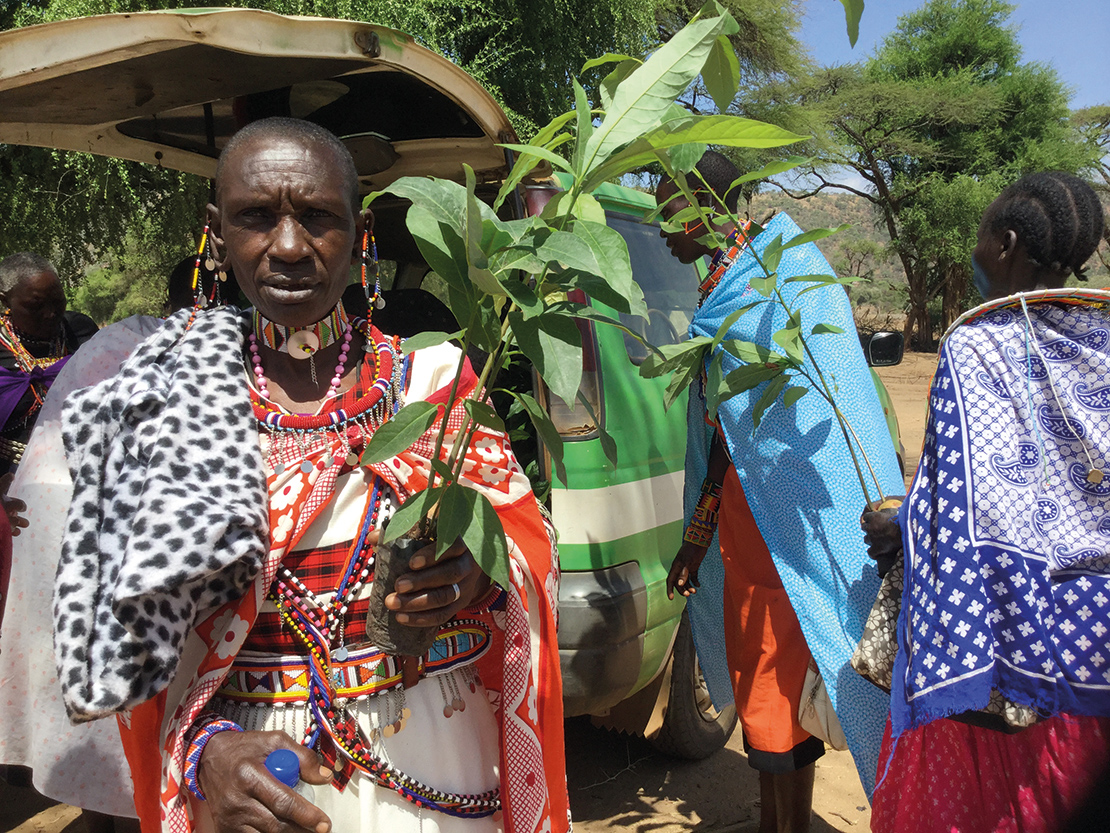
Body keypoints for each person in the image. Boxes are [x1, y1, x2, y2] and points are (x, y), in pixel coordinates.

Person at [52, 117, 566, 833]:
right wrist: (205, 753)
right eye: (256, 217)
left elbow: (530, 551)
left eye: (317, 217)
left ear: (359, 234)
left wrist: (472, 573)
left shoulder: (433, 379)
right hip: (253, 785)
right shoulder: (161, 406)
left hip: (437, 750)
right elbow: (115, 648)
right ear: (217, 232)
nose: (289, 246)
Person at [657, 151, 902, 833]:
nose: (658, 220)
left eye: (670, 201)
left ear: (709, 202)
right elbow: (722, 438)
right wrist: (699, 537)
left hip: (791, 540)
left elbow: (831, 407)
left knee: (778, 694)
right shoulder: (723, 291)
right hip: (745, 543)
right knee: (775, 698)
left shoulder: (784, 279)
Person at [862, 172, 1110, 832]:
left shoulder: (979, 345)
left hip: (993, 683)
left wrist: (899, 526)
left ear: (1005, 244)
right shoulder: (1102, 340)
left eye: (979, 238)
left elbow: (961, 516)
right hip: (1095, 669)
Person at [0, 253, 96, 475]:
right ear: (6, 301)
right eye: (36, 305)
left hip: (82, 471)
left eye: (58, 301)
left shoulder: (80, 331)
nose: (51, 313)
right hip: (9, 481)